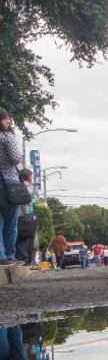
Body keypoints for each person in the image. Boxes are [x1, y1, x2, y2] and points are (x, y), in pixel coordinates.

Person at [0, 108, 23, 265]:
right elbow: (15, 158)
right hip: (9, 183)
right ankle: (9, 256)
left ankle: (0, 256)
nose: (9, 121)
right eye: (7, 118)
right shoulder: (7, 137)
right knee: (10, 221)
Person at [14, 168, 36, 265]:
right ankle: (24, 259)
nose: (32, 178)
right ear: (27, 177)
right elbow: (28, 199)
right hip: (26, 214)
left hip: (18, 214)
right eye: (31, 176)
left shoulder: (16, 185)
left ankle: (20, 258)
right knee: (25, 237)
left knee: (18, 236)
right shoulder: (29, 186)